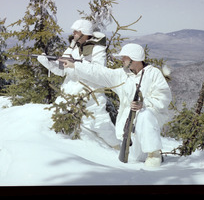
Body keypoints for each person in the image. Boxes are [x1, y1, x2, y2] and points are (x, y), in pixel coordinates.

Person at [60, 43, 172, 167]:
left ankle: (154, 154)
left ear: (134, 59)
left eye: (125, 57)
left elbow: (164, 98)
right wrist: (75, 66)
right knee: (135, 158)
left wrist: (144, 104)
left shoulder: (153, 74)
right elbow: (100, 73)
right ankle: (145, 155)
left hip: (148, 125)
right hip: (129, 131)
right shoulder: (122, 75)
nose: (122, 60)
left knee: (145, 114)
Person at [37, 19, 121, 148]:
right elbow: (62, 70)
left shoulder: (98, 49)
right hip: (69, 94)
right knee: (55, 120)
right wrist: (48, 63)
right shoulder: (73, 46)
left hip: (91, 95)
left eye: (76, 32)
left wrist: (76, 66)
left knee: (101, 126)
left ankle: (119, 149)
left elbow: (99, 72)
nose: (73, 34)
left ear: (84, 33)